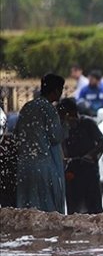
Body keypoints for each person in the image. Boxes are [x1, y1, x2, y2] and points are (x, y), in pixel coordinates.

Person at [14, 73, 66, 213]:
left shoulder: (27, 107)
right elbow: (55, 137)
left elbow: (17, 133)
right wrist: (65, 126)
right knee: (47, 212)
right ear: (56, 91)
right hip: (44, 167)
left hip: (24, 166)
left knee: (25, 211)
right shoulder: (49, 109)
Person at [57, 98, 103, 214]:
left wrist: (90, 156)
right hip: (72, 172)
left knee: (94, 210)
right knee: (74, 210)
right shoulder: (62, 127)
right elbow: (62, 145)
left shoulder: (88, 123)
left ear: (72, 113)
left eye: (65, 115)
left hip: (89, 171)